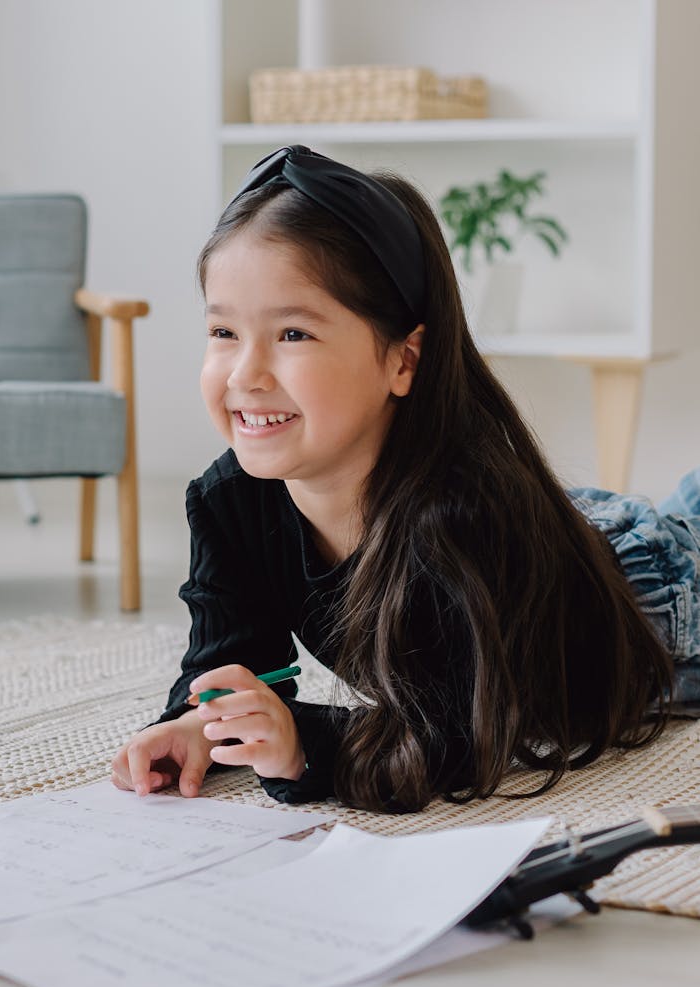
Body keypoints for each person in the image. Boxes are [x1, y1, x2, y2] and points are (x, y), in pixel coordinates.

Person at [112, 145, 700, 814]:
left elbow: (464, 737)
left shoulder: (459, 518)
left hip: (654, 594)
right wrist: (200, 723)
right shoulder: (228, 502)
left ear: (403, 359)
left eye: (294, 334)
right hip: (564, 530)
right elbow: (235, 662)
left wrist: (303, 744)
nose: (245, 373)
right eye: (223, 330)